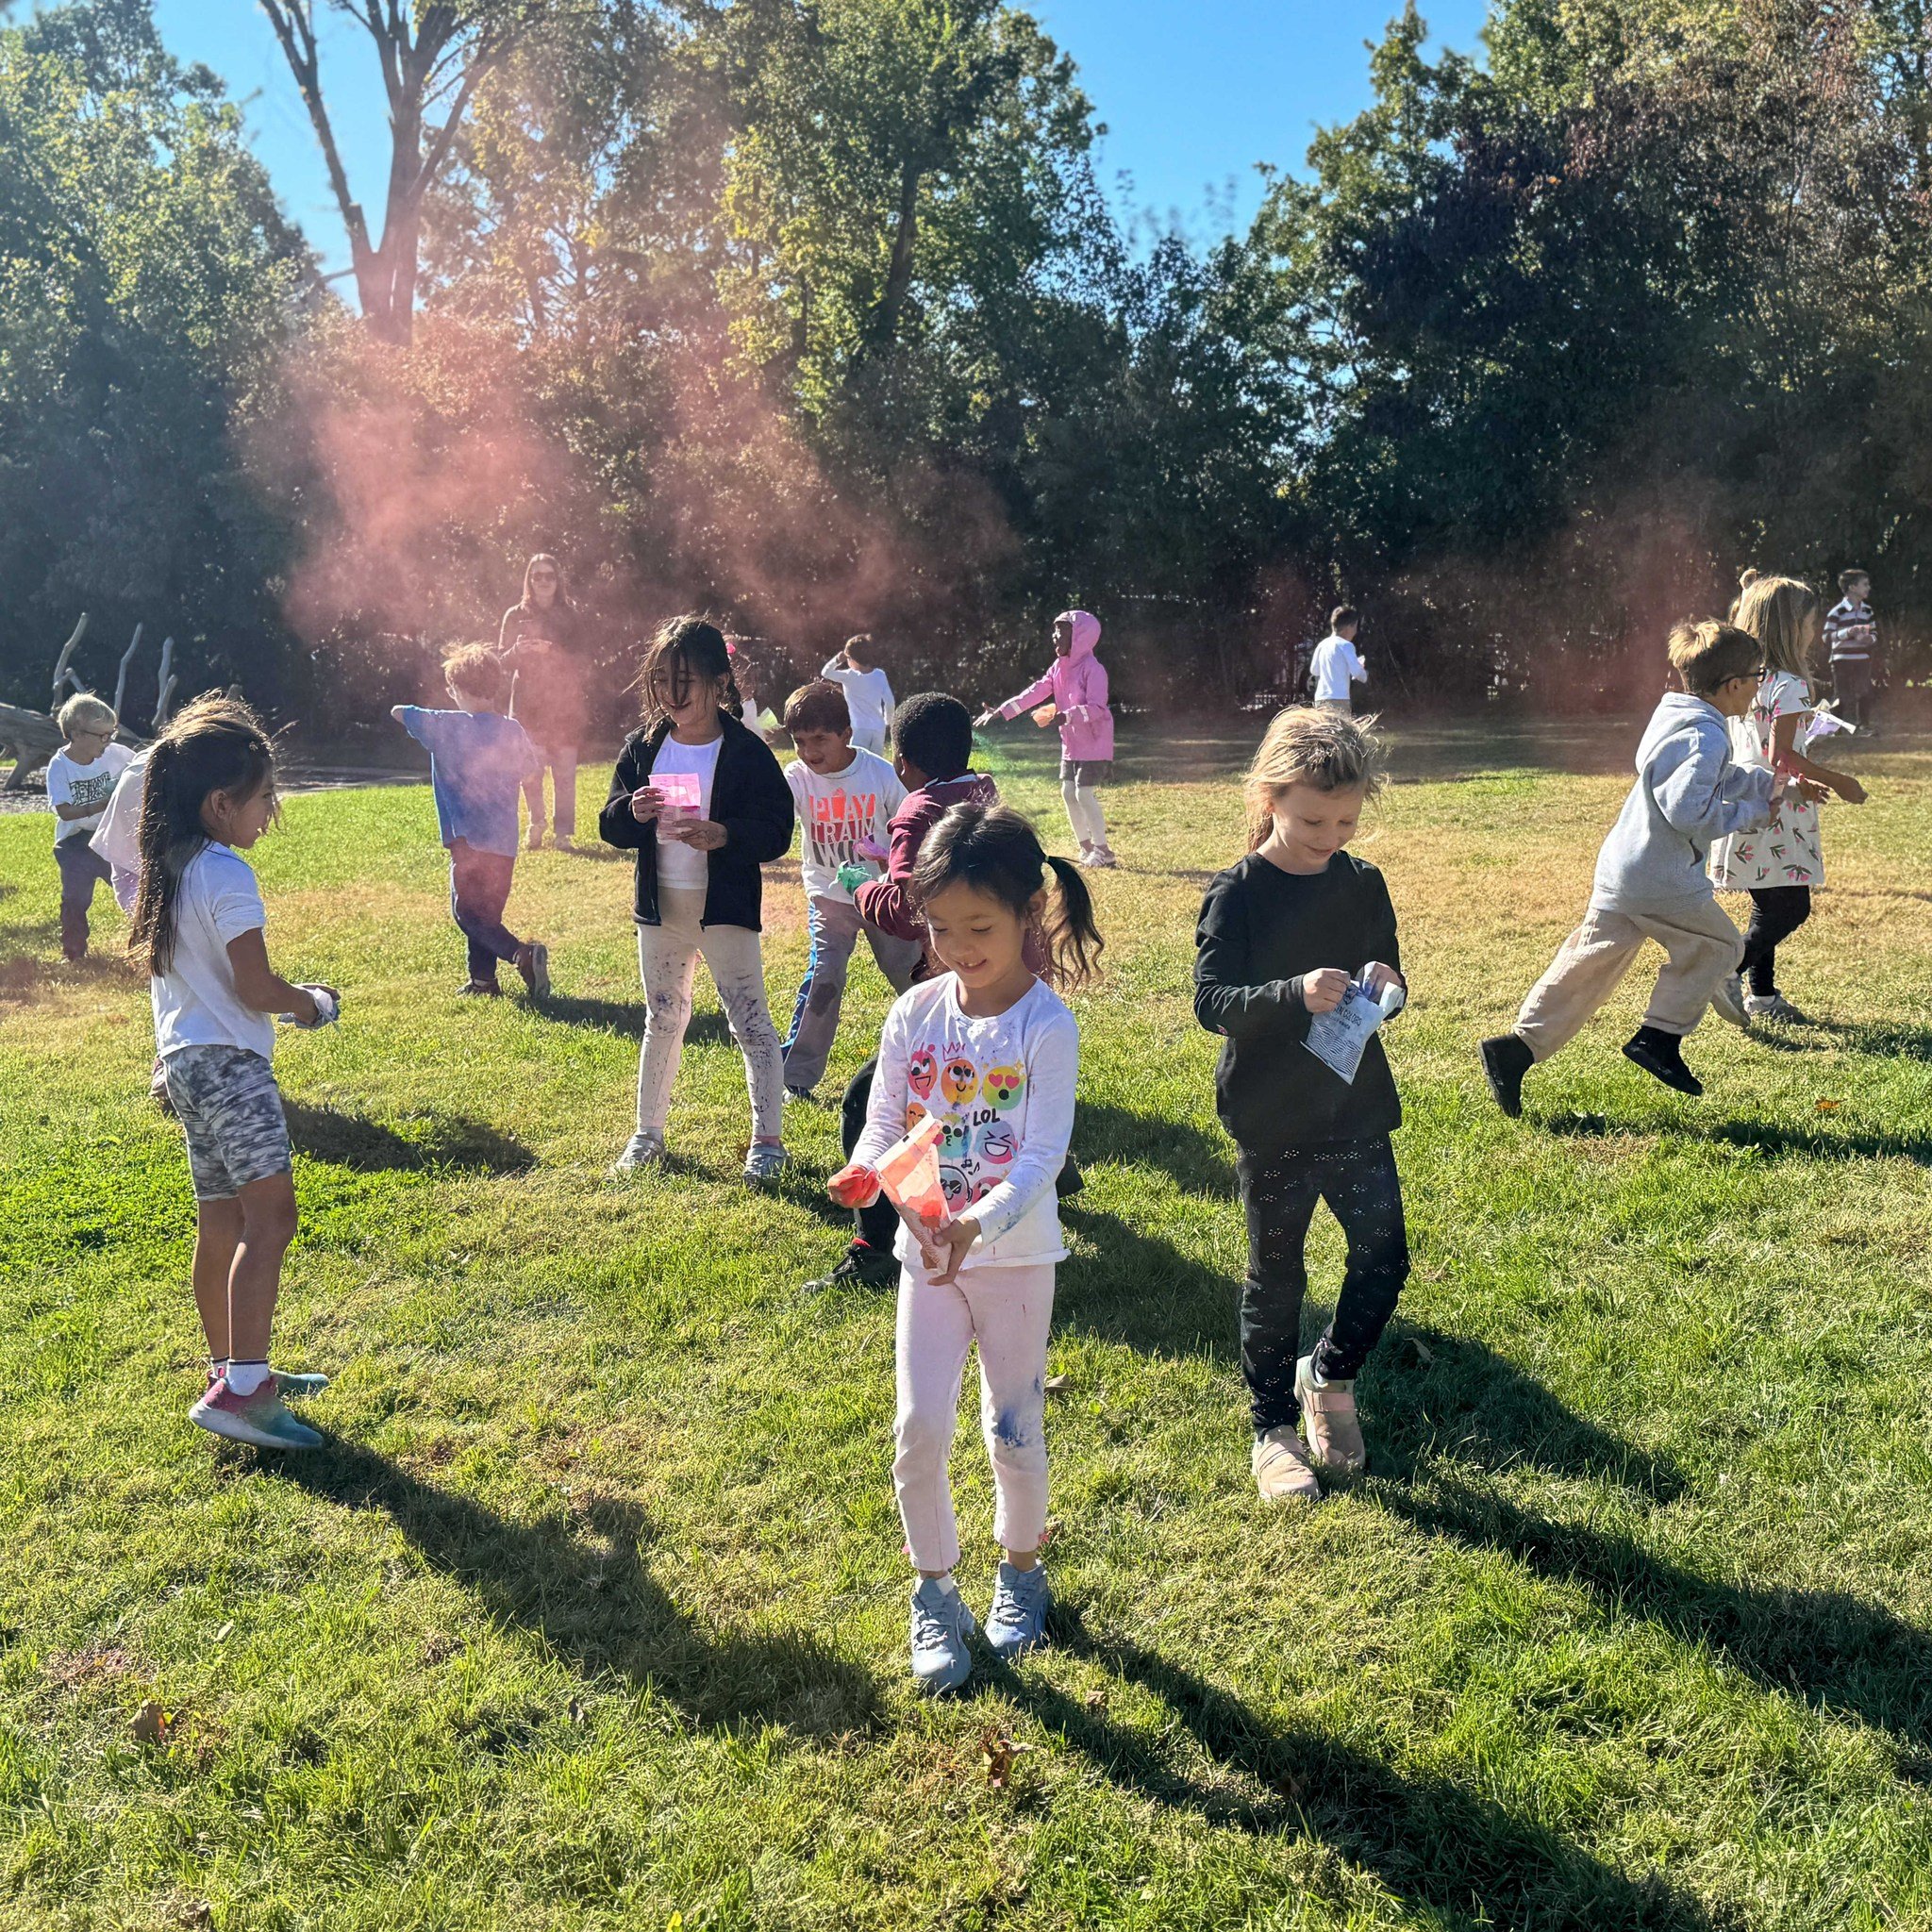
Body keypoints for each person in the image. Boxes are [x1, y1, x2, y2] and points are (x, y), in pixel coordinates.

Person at [833, 803, 1102, 1693]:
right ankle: (935, 1593)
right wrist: (866, 1175)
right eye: (940, 928)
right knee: (917, 1431)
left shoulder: (1045, 1027)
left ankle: (1022, 1572)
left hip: (1013, 1261)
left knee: (1013, 1431)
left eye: (978, 927)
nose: (956, 946)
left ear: (1031, 913)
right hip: (926, 1262)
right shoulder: (913, 1012)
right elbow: (883, 1123)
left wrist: (976, 1225)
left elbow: (1040, 1157)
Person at [1192, 708, 1409, 1504]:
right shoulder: (1238, 892)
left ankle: (1330, 1375)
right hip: (1273, 1119)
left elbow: (1385, 967)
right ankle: (1272, 1427)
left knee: (1384, 1260)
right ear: (1271, 797)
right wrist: (1292, 994)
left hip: (1353, 1110)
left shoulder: (1361, 882)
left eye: (1348, 820)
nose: (1332, 834)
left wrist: (1389, 986)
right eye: (1315, 818)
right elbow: (1212, 1000)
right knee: (1275, 1275)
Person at [1479, 621, 1825, 1116]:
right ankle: (1659, 1037)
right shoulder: (1706, 735)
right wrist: (1754, 814)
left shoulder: (1680, 717)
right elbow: (1689, 810)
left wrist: (1776, 786)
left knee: (1588, 965)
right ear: (1734, 686)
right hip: (1662, 879)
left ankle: (1515, 1049)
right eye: (1757, 675)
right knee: (1723, 946)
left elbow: (1718, 777)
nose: (1759, 684)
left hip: (1624, 868)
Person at [129, 699, 335, 1450]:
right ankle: (244, 1390)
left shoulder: (171, 868)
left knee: (221, 1221)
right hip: (231, 1069)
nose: (271, 812)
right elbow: (255, 990)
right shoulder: (227, 872)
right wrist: (311, 1005)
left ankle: (232, 1368)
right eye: (264, 798)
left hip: (185, 1065)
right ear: (221, 804)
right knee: (271, 1220)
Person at [808, 692, 1006, 1291]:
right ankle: (1042, 1185)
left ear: (902, 763)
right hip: (1010, 984)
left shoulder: (918, 812)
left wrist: (863, 882)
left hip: (952, 987)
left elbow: (902, 910)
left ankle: (874, 1243)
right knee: (994, 1089)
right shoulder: (987, 795)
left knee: (874, 1096)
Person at [600, 616, 795, 1185]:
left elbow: (778, 827)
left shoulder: (745, 751)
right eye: (660, 679)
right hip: (661, 912)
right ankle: (647, 1135)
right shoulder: (642, 748)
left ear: (719, 683)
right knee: (663, 1016)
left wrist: (726, 834)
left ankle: (768, 1140)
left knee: (751, 1021)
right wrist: (630, 814)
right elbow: (611, 823)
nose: (671, 692)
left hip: (725, 910)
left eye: (684, 678)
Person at [1709, 575, 1867, 1024]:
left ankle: (1763, 995)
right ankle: (1728, 971)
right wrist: (1840, 780)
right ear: (1791, 627)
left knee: (1768, 905)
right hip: (1778, 806)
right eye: (1811, 623)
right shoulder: (1790, 684)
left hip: (1745, 796)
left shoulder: (1746, 681)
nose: (1815, 633)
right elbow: (1783, 754)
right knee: (1792, 907)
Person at [778, 679, 922, 1100]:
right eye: (800, 741)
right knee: (824, 978)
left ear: (846, 734)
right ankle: (796, 1077)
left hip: (881, 895)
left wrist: (891, 858)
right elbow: (774, 810)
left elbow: (908, 821)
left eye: (820, 739)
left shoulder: (878, 772)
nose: (809, 751)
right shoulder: (799, 778)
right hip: (829, 895)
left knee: (912, 974)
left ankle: (942, 1050)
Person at [391, 644, 551, 1000]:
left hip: (467, 841)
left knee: (466, 912)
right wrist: (537, 816)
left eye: (453, 690)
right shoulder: (512, 730)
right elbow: (530, 776)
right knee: (487, 914)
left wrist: (443, 712)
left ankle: (521, 954)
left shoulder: (447, 726)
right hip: (503, 842)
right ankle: (482, 983)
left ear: (459, 690)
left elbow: (399, 711)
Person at [975, 609, 1118, 869]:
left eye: (1061, 631)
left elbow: (1098, 708)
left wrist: (1065, 716)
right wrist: (1002, 711)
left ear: (1079, 636)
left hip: (1094, 744)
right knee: (1068, 793)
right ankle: (1086, 847)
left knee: (1083, 793)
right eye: (1054, 630)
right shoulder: (1058, 668)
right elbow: (1035, 691)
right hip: (1072, 744)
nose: (1054, 636)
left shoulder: (1094, 669)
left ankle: (1104, 851)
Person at [498, 553, 589, 850]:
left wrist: (553, 652)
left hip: (564, 706)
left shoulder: (572, 615)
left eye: (549, 575)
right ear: (529, 579)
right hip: (527, 705)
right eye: (537, 575)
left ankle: (563, 835)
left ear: (558, 580)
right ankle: (536, 823)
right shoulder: (515, 615)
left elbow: (584, 661)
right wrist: (517, 650)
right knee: (529, 770)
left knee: (564, 771)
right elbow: (501, 661)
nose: (544, 581)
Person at [45, 693, 134, 961]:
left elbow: (142, 770)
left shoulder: (118, 755)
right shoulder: (59, 766)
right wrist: (102, 804)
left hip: (110, 836)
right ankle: (73, 953)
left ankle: (149, 942)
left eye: (112, 734)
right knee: (75, 899)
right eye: (102, 736)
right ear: (76, 734)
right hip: (75, 844)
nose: (108, 742)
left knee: (134, 889)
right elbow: (64, 811)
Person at [1824, 568, 1882, 733]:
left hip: (1861, 658)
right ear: (1852, 587)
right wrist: (1847, 633)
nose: (1868, 588)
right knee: (1841, 695)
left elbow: (1875, 634)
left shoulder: (1867, 611)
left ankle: (1863, 725)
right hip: (1841, 659)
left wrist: (1869, 639)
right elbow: (1826, 637)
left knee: (1864, 691)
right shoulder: (1837, 612)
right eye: (1864, 584)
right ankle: (1836, 728)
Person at [821, 634, 895, 757]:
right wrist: (888, 721)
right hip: (878, 728)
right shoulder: (879, 675)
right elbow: (889, 701)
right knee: (876, 763)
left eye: (848, 658)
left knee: (857, 763)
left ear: (852, 659)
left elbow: (826, 673)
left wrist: (837, 660)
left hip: (859, 729)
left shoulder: (849, 676)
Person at [1308, 607, 1368, 717]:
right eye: (1355, 626)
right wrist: (1363, 671)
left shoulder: (1322, 645)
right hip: (1339, 699)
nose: (1355, 631)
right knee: (1340, 733)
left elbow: (1314, 671)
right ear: (1349, 627)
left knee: (1323, 731)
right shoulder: (1346, 646)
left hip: (1321, 698)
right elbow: (1357, 673)